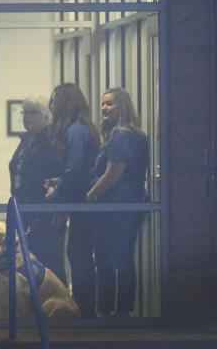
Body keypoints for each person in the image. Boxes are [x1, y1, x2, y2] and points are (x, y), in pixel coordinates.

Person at [86, 87, 149, 318]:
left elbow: (113, 173)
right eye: (102, 104)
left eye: (110, 103)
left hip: (115, 208)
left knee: (109, 260)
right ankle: (120, 311)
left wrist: (89, 195)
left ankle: (111, 313)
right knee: (121, 259)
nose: (104, 108)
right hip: (124, 207)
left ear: (123, 106)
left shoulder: (122, 135)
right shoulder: (134, 133)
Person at [45, 82, 100, 318]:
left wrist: (57, 192)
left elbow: (76, 171)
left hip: (82, 205)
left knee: (79, 257)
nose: (52, 104)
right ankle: (84, 309)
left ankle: (84, 312)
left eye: (56, 99)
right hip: (83, 204)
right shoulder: (82, 128)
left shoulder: (75, 131)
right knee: (80, 255)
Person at [8, 96, 66, 282]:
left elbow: (58, 173)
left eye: (34, 113)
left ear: (46, 117)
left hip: (44, 213)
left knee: (47, 262)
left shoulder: (51, 141)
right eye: (25, 112)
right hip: (22, 209)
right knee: (25, 262)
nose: (28, 117)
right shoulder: (25, 141)